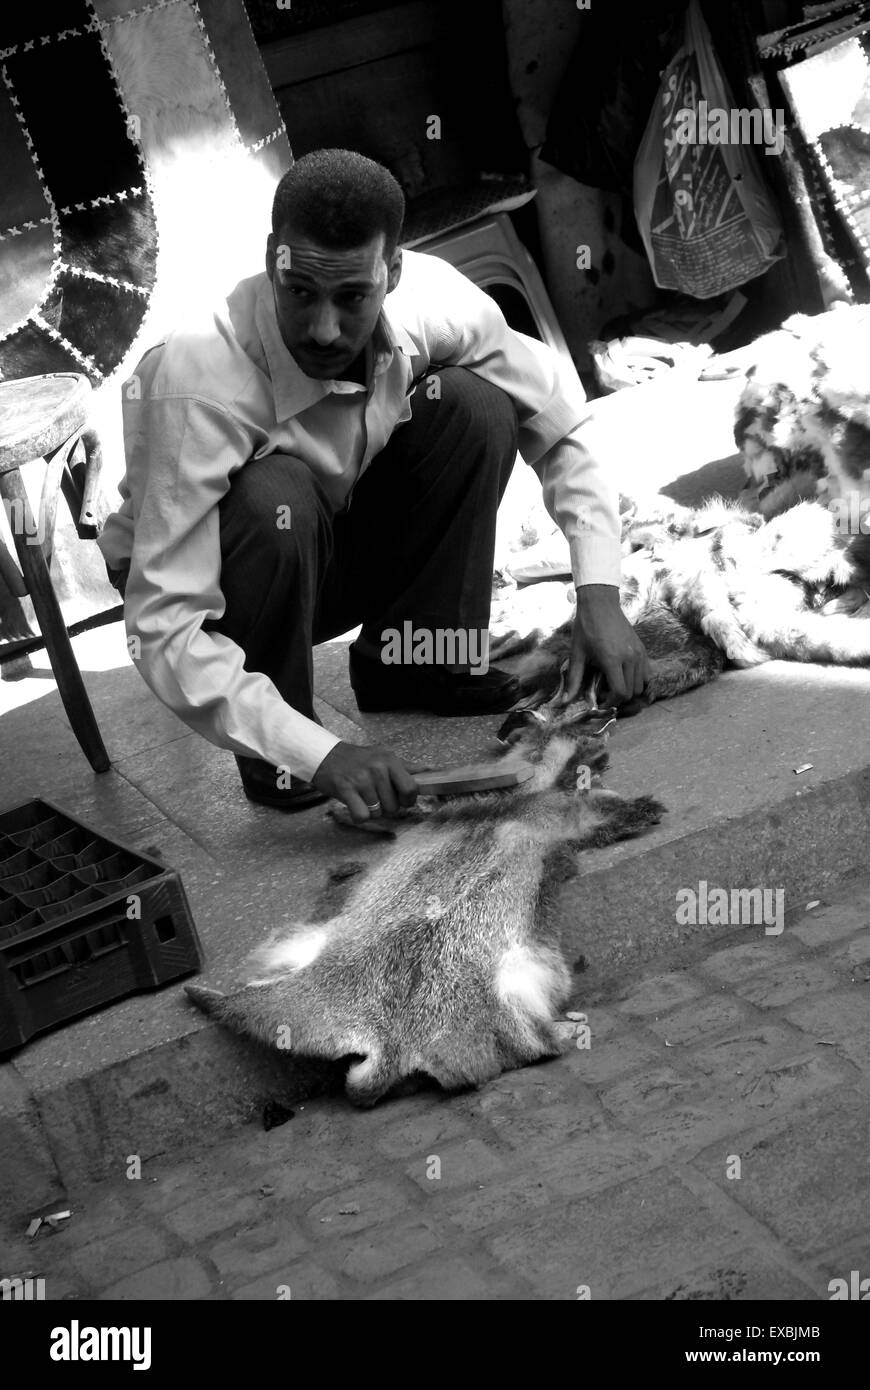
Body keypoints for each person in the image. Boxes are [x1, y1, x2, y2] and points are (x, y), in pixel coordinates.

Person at [98, 149, 649, 825]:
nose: (324, 328)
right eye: (300, 291)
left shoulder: (435, 300)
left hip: (328, 532)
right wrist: (320, 753)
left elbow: (559, 425)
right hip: (213, 578)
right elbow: (163, 624)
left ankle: (413, 661)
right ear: (274, 258)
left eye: (352, 297)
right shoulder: (199, 378)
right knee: (275, 495)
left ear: (391, 272)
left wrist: (599, 595)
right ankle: (280, 751)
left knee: (475, 406)